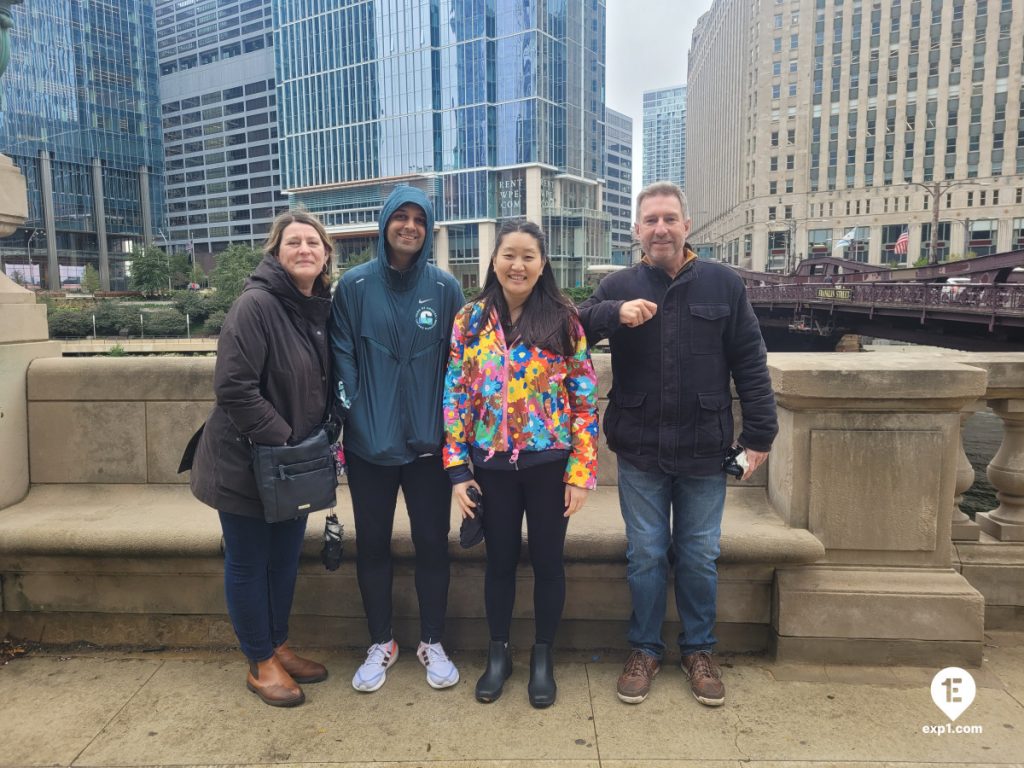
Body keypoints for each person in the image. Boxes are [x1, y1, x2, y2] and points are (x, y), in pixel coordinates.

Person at [578, 181, 777, 707]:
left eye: (670, 218)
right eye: (651, 220)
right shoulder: (618, 284)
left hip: (705, 449)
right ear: (637, 230)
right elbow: (569, 332)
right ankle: (644, 648)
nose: (660, 228)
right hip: (639, 446)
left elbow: (750, 361)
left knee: (698, 554)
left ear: (688, 226)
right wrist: (610, 315)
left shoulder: (723, 284)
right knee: (644, 554)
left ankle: (697, 651)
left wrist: (759, 435)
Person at [443, 220, 599, 709]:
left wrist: (580, 474)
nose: (518, 264)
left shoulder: (562, 318)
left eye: (528, 256)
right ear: (494, 261)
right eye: (509, 254)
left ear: (542, 264)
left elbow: (585, 399)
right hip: (490, 468)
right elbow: (454, 394)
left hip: (549, 467)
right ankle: (498, 654)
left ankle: (543, 657)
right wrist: (457, 469)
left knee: (549, 563)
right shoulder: (470, 320)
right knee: (499, 564)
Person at [188, 210, 334, 708]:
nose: (304, 249)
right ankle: (258, 661)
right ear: (276, 252)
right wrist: (284, 438)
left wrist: (318, 435)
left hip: (290, 467)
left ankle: (277, 644)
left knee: (285, 560)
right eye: (293, 242)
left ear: (326, 254)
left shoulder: (316, 307)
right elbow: (233, 386)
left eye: (312, 242)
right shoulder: (256, 305)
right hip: (244, 463)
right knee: (249, 562)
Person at [330, 186, 464, 693]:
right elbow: (341, 355)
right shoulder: (355, 286)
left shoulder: (446, 288)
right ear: (385, 222)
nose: (409, 226)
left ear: (429, 229)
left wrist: (451, 432)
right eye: (400, 217)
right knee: (373, 547)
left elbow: (460, 366)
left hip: (430, 446)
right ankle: (381, 641)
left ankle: (432, 640)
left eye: (419, 219)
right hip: (369, 446)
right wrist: (356, 416)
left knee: (433, 543)